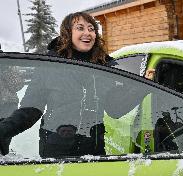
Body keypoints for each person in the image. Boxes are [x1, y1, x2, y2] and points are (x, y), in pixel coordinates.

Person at [0, 12, 152, 157]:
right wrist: (3, 131)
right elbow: (31, 110)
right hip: (57, 150)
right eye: (80, 28)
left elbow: (115, 108)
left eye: (91, 29)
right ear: (68, 33)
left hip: (94, 149)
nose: (87, 33)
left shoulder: (103, 67)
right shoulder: (51, 65)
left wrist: (143, 86)